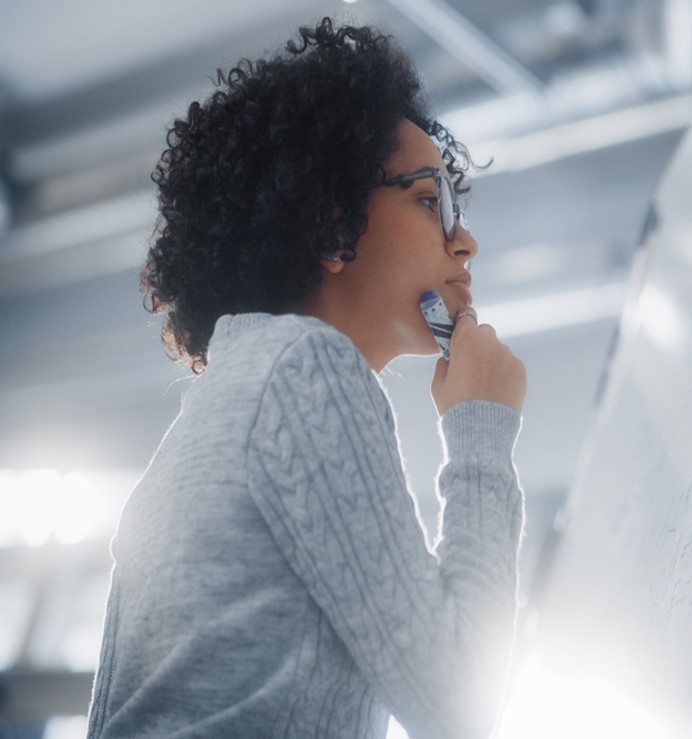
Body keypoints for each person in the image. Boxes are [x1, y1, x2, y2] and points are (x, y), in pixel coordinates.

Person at [85, 18, 527, 739]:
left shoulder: (228, 399)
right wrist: (480, 429)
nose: (465, 239)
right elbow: (460, 707)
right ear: (332, 228)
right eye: (428, 199)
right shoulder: (302, 367)